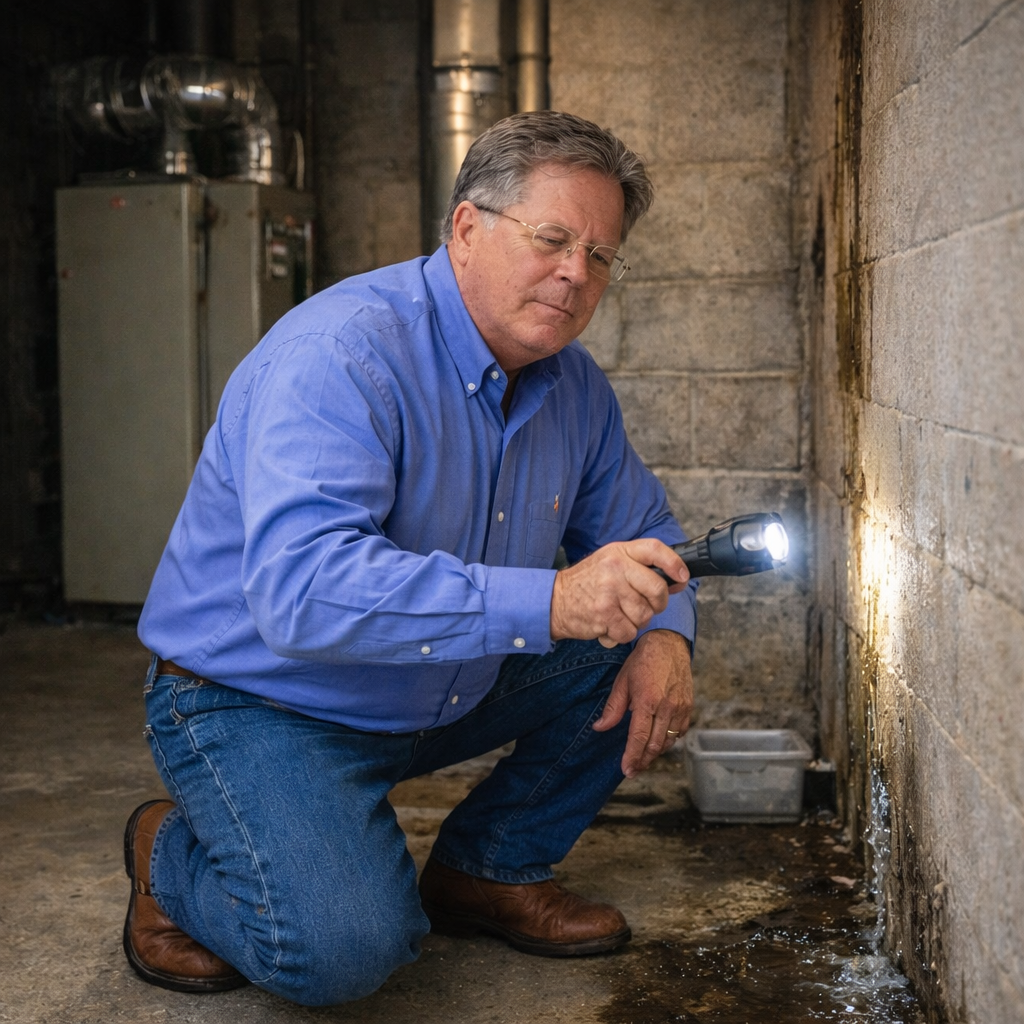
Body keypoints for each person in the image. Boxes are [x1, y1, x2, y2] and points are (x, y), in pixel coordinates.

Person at [124, 110, 698, 1007]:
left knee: (636, 627)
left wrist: (667, 636)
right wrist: (551, 602)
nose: (576, 273)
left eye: (600, 255)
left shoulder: (574, 386)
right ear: (467, 227)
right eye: (552, 239)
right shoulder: (341, 354)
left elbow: (644, 530)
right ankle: (165, 855)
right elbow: (304, 592)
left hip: (432, 690)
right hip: (261, 698)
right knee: (344, 954)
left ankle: (489, 867)